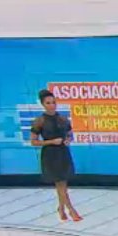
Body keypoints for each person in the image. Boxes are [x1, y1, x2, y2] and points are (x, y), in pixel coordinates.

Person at [30, 89, 82, 222]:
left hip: (63, 153)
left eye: (53, 102)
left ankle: (61, 208)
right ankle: (71, 210)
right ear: (43, 104)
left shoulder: (63, 119)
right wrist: (51, 142)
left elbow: (70, 134)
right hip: (50, 155)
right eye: (48, 103)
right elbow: (33, 141)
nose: (52, 105)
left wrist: (68, 140)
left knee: (63, 184)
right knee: (59, 183)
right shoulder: (39, 121)